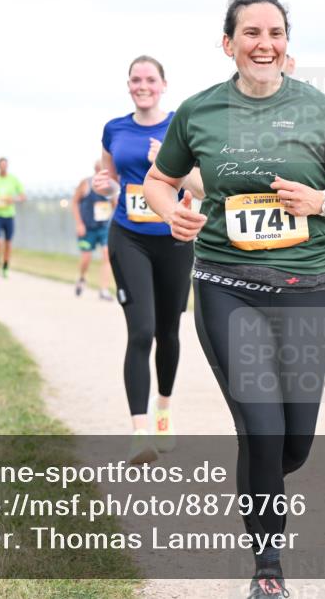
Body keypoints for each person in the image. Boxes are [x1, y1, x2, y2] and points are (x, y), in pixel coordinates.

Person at [144, 0, 325, 599]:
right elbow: (159, 179)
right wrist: (170, 212)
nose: (264, 44)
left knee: (293, 441)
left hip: (309, 287)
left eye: (275, 33)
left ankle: (259, 475)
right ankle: (267, 569)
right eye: (251, 33)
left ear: (286, 43)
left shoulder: (323, 111)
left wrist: (323, 201)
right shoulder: (198, 112)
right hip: (227, 285)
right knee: (262, 428)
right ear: (229, 44)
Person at [93, 55, 199, 464]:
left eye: (150, 79)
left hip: (174, 237)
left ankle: (163, 413)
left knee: (168, 332)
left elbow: (199, 184)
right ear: (128, 85)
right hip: (129, 236)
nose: (143, 86)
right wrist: (103, 187)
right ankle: (140, 433)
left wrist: (168, 163)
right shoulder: (114, 129)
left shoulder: (179, 126)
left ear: (163, 85)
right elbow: (113, 184)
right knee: (141, 331)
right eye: (136, 79)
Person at [72, 160, 115, 299]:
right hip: (88, 227)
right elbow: (74, 202)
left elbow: (115, 204)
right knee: (86, 257)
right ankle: (82, 277)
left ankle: (104, 289)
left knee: (107, 254)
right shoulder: (85, 183)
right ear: (96, 170)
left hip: (104, 227)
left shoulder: (111, 186)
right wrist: (79, 224)